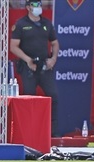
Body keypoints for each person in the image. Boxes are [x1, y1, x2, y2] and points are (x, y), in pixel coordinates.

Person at [10, 0, 60, 137]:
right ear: (28, 7)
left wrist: (53, 59)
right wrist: (27, 60)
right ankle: (29, 131)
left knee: (53, 96)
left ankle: (52, 133)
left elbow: (55, 43)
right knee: (29, 97)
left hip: (44, 66)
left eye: (39, 4)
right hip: (28, 66)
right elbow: (13, 46)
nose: (39, 8)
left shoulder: (46, 23)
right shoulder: (21, 24)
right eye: (35, 5)